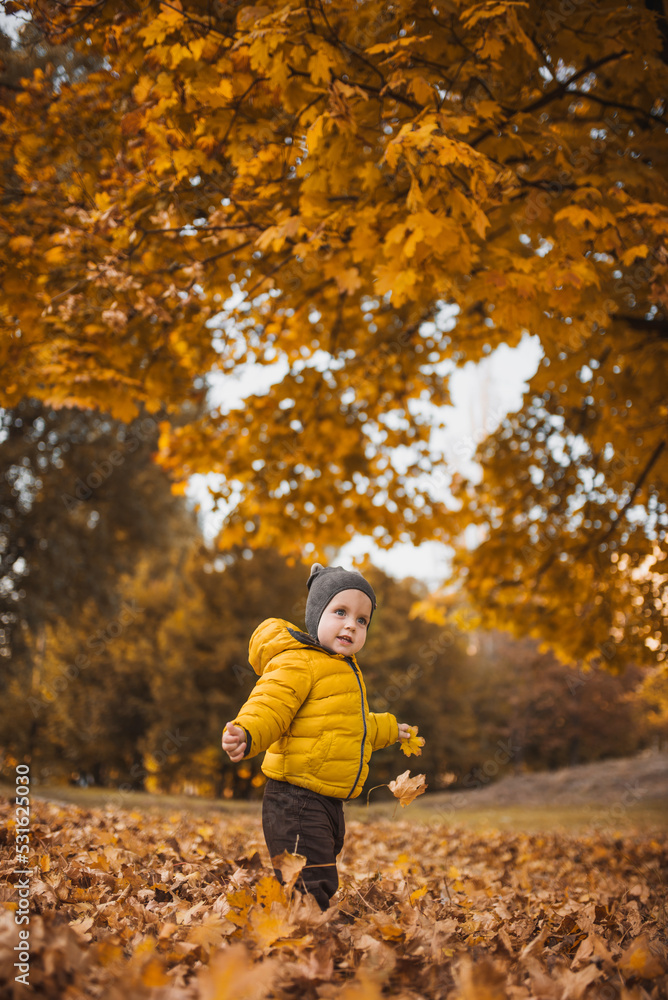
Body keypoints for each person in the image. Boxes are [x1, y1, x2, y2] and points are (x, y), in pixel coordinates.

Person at [222, 562, 414, 910]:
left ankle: (305, 925)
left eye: (361, 620)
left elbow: (352, 725)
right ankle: (306, 935)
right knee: (311, 878)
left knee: (319, 867)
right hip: (295, 797)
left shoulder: (344, 671)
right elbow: (271, 703)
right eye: (340, 612)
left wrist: (390, 729)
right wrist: (248, 731)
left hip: (326, 800)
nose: (350, 625)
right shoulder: (299, 663)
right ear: (316, 615)